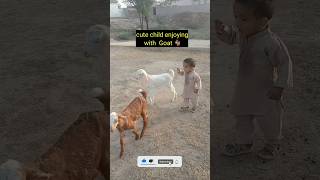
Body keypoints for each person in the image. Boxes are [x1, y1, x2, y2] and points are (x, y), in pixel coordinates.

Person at [215, 0, 293, 160]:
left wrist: (280, 86)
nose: (237, 22)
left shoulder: (271, 42)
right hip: (244, 88)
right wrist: (225, 31)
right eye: (236, 17)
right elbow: (233, 37)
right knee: (241, 115)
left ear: (263, 21)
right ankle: (244, 143)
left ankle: (272, 144)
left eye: (243, 19)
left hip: (265, 91)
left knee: (269, 119)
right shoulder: (245, 35)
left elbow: (285, 63)